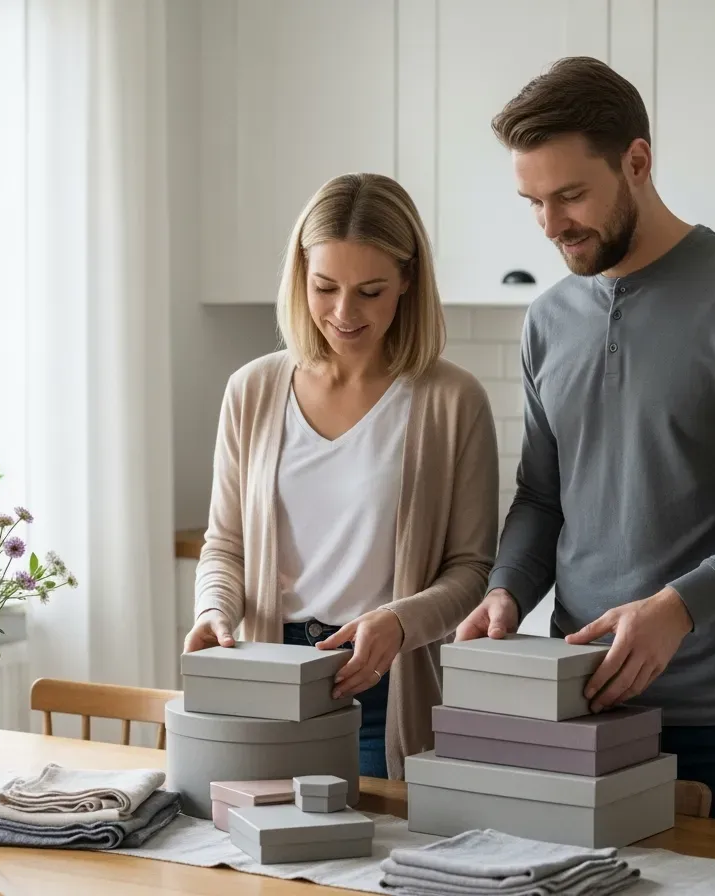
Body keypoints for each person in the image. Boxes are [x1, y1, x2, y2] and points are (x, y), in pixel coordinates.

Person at [455, 57, 715, 829]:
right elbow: (542, 497)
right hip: (579, 711)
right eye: (532, 200)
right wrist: (506, 589)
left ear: (637, 161)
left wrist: (677, 608)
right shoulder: (548, 321)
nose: (550, 224)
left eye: (570, 194)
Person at [185, 172, 500, 779]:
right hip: (269, 677)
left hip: (388, 685)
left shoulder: (452, 400)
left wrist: (400, 622)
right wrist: (213, 612)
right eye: (324, 286)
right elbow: (225, 545)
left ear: (408, 281)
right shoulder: (252, 391)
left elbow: (472, 570)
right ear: (299, 275)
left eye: (371, 291)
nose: (343, 313)